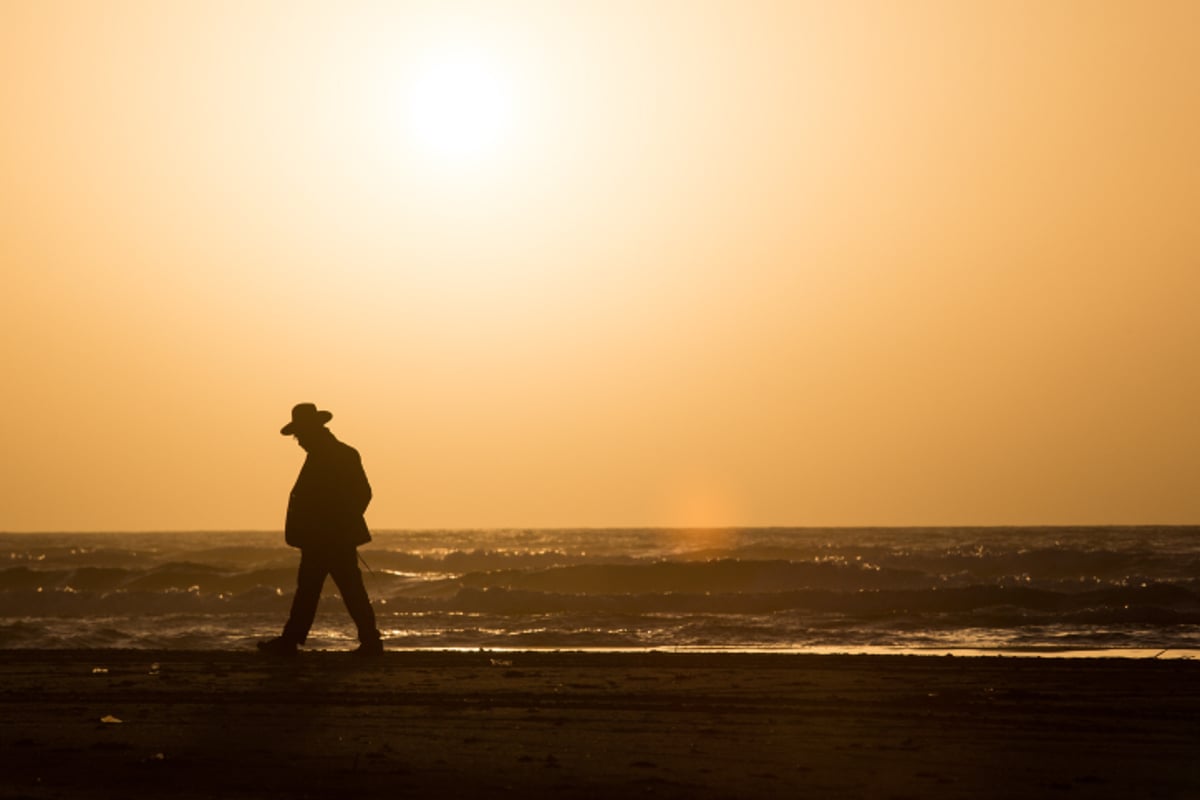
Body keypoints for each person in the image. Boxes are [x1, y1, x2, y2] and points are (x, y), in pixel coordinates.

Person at [258, 403, 384, 656]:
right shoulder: (334, 453)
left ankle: (292, 641)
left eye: (300, 435)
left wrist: (340, 522)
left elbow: (362, 493)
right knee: (332, 589)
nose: (298, 441)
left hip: (329, 538)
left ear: (312, 430)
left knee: (324, 589)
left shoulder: (337, 454)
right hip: (325, 537)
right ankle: (369, 641)